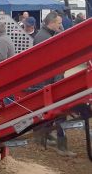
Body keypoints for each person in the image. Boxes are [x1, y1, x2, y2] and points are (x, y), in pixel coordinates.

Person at [31, 11, 75, 157]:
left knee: (49, 113)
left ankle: (43, 137)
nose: (60, 25)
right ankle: (61, 147)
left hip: (47, 82)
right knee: (60, 113)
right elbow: (51, 63)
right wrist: (58, 82)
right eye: (58, 22)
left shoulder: (46, 34)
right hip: (47, 83)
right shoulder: (44, 37)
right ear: (51, 22)